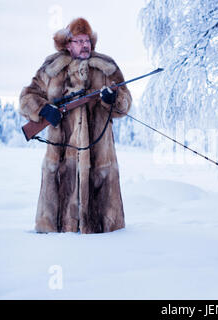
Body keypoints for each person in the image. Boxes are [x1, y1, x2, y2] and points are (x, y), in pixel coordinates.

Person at [19, 17, 132, 233]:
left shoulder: (106, 67)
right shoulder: (52, 68)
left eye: (87, 40)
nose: (85, 45)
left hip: (100, 157)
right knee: (57, 232)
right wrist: (43, 109)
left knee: (105, 236)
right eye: (79, 41)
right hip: (61, 155)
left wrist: (113, 100)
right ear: (67, 44)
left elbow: (125, 103)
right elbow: (26, 97)